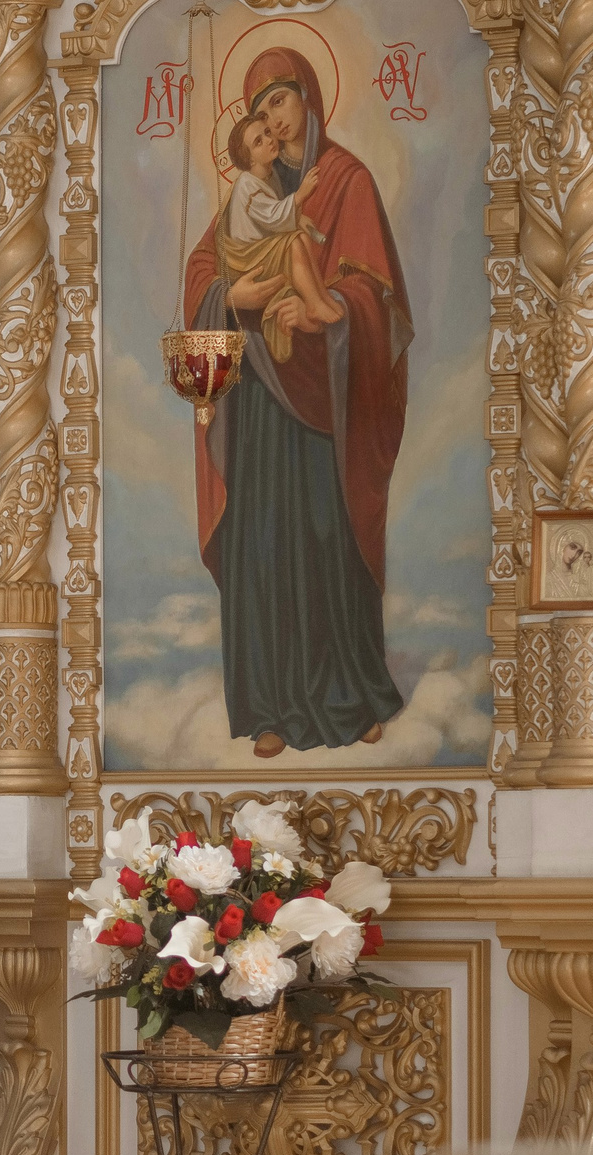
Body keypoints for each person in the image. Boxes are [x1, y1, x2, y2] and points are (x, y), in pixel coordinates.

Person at [183, 48, 408, 759]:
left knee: (323, 536)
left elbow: (380, 300)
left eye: (282, 102)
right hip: (257, 402)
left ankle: (351, 695)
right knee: (263, 543)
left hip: (327, 409)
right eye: (261, 112)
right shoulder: (250, 194)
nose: (274, 122)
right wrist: (231, 297)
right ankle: (268, 708)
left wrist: (333, 308)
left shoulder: (347, 181)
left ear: (311, 101)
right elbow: (202, 273)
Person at [217, 112, 330, 365]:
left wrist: (296, 219)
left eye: (267, 133)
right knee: (294, 244)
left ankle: (318, 300)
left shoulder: (268, 176)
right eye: (258, 142)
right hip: (248, 258)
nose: (269, 140)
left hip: (262, 249)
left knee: (298, 238)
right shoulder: (246, 183)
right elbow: (272, 214)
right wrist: (300, 196)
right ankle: (315, 303)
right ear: (248, 158)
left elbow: (271, 217)